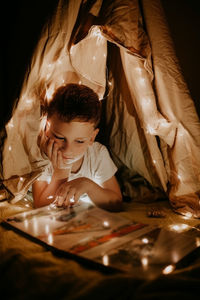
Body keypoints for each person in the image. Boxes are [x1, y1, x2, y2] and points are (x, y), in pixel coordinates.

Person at [32, 83, 122, 211]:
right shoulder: (41, 155)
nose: (68, 150)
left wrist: (87, 185)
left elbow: (116, 203)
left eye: (79, 141)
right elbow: (40, 205)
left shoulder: (97, 154)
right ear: (47, 128)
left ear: (92, 137)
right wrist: (61, 172)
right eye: (60, 138)